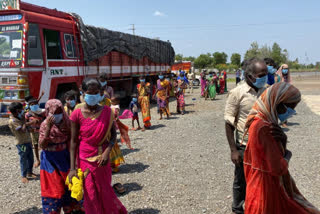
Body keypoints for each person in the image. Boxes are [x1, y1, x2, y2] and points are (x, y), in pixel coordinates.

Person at [243, 82, 320, 214]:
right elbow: (278, 167)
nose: (292, 112)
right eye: (290, 108)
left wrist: (282, 141)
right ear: (277, 103)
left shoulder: (259, 121)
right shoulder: (264, 127)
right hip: (265, 191)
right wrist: (288, 154)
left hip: (259, 186)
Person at [68, 78, 127, 214]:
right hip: (84, 159)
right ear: (82, 92)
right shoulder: (77, 114)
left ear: (100, 93)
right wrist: (72, 168)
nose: (93, 95)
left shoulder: (107, 112)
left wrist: (107, 152)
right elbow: (73, 141)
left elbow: (113, 136)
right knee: (90, 194)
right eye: (90, 92)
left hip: (102, 159)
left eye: (96, 92)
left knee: (105, 190)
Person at [224, 58, 268, 214]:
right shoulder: (237, 93)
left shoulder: (267, 90)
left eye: (266, 74)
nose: (264, 77)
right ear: (249, 75)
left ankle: (256, 206)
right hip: (244, 146)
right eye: (261, 74)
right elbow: (229, 123)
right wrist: (233, 150)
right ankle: (237, 208)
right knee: (241, 180)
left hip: (264, 145)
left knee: (262, 178)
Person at [39, 99, 82, 214]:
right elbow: (42, 145)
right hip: (50, 160)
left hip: (65, 158)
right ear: (48, 112)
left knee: (69, 185)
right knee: (54, 188)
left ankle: (72, 209)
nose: (57, 115)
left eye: (59, 112)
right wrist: (48, 128)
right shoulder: (44, 125)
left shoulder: (67, 121)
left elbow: (72, 139)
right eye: (54, 113)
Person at [8, 102, 36, 184]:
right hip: (21, 143)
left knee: (30, 157)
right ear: (17, 111)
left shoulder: (19, 118)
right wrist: (27, 122)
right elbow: (23, 130)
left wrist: (27, 124)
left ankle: (29, 172)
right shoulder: (13, 121)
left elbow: (26, 128)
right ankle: (23, 175)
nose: (22, 111)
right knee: (23, 158)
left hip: (27, 141)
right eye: (21, 110)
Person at [25, 96, 46, 168]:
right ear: (29, 106)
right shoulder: (28, 114)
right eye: (31, 105)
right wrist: (29, 126)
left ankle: (45, 159)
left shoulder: (42, 112)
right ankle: (37, 160)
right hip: (33, 132)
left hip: (42, 132)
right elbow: (25, 123)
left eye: (35, 104)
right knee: (35, 146)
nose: (33, 106)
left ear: (38, 104)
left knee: (44, 145)